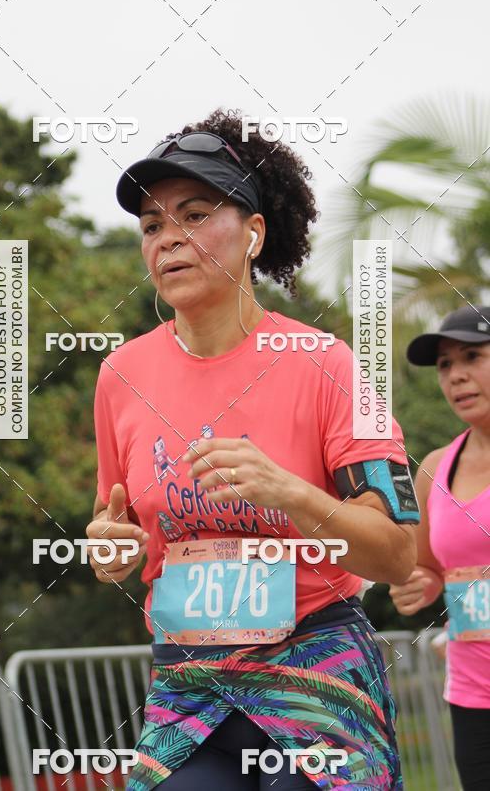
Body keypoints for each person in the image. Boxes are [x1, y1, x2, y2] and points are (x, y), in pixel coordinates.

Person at [86, 108, 420, 790]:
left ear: (254, 232)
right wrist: (110, 553)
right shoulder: (121, 375)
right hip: (191, 685)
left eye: (195, 214)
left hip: (313, 674)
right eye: (152, 226)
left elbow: (396, 553)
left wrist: (288, 493)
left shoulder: (324, 363)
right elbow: (115, 528)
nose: (168, 239)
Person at [390, 306, 490, 791]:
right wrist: (418, 585)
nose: (457, 375)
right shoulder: (432, 467)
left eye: (472, 356)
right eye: (446, 365)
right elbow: (427, 568)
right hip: (473, 696)